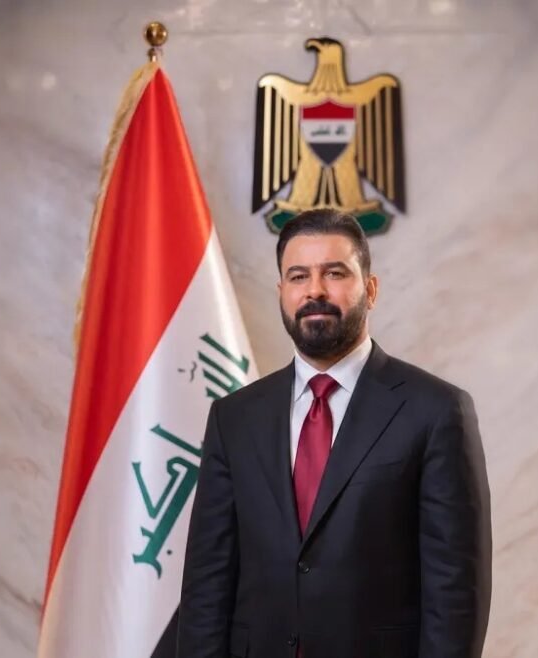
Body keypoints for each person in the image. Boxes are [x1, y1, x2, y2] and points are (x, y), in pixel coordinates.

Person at [178, 209, 491, 658]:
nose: (315, 291)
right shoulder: (234, 419)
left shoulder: (437, 411)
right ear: (282, 292)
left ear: (371, 289)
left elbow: (455, 594)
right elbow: (207, 584)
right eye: (299, 276)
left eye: (335, 273)